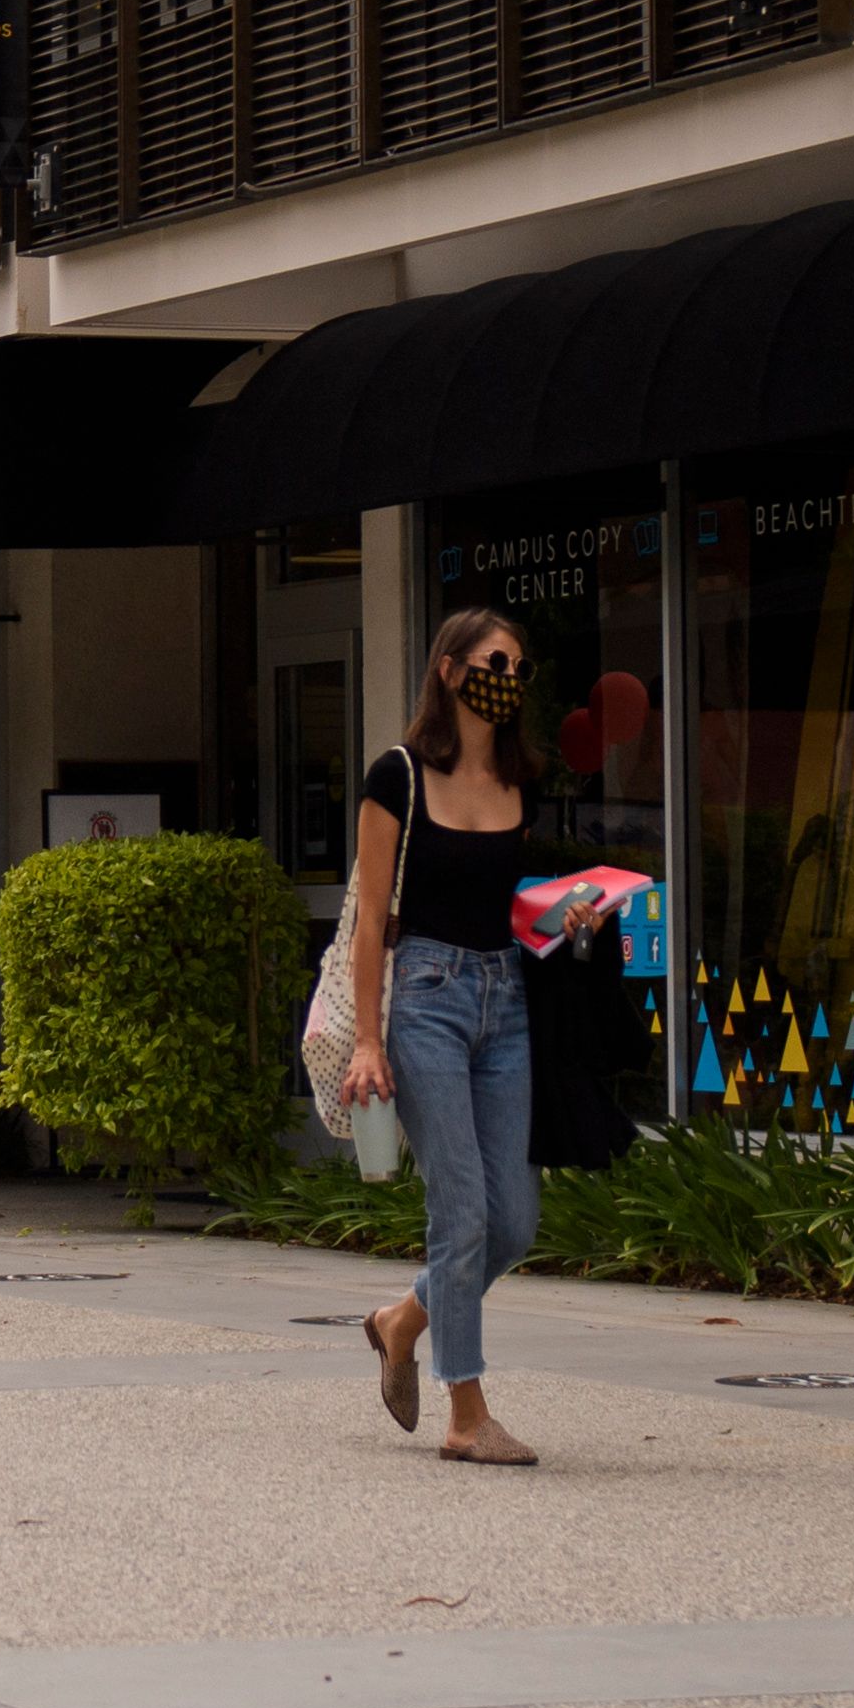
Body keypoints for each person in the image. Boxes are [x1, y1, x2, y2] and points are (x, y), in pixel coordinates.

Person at [341, 605, 608, 1466]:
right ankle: (466, 1413)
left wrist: (566, 916)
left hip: (507, 999)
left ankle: (399, 1322)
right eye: (499, 662)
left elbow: (513, 905)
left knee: (514, 1223)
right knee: (461, 1214)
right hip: (425, 999)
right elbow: (371, 918)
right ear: (451, 669)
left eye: (522, 669)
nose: (512, 680)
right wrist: (368, 1041)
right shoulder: (398, 777)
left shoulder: (521, 778)